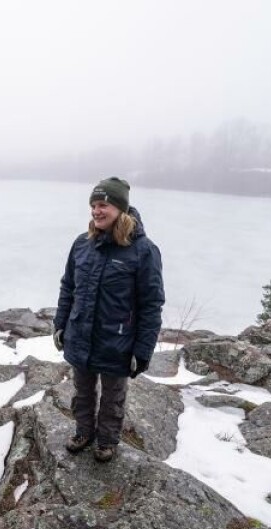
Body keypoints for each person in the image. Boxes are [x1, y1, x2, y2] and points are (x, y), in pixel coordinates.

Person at [52, 177, 164, 462]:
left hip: (117, 340)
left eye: (103, 205)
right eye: (93, 205)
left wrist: (143, 349)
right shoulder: (82, 244)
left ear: (119, 209)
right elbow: (68, 287)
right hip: (80, 335)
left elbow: (151, 304)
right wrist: (60, 324)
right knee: (82, 392)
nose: (96, 211)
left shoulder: (143, 251)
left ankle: (106, 441)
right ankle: (83, 432)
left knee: (113, 397)